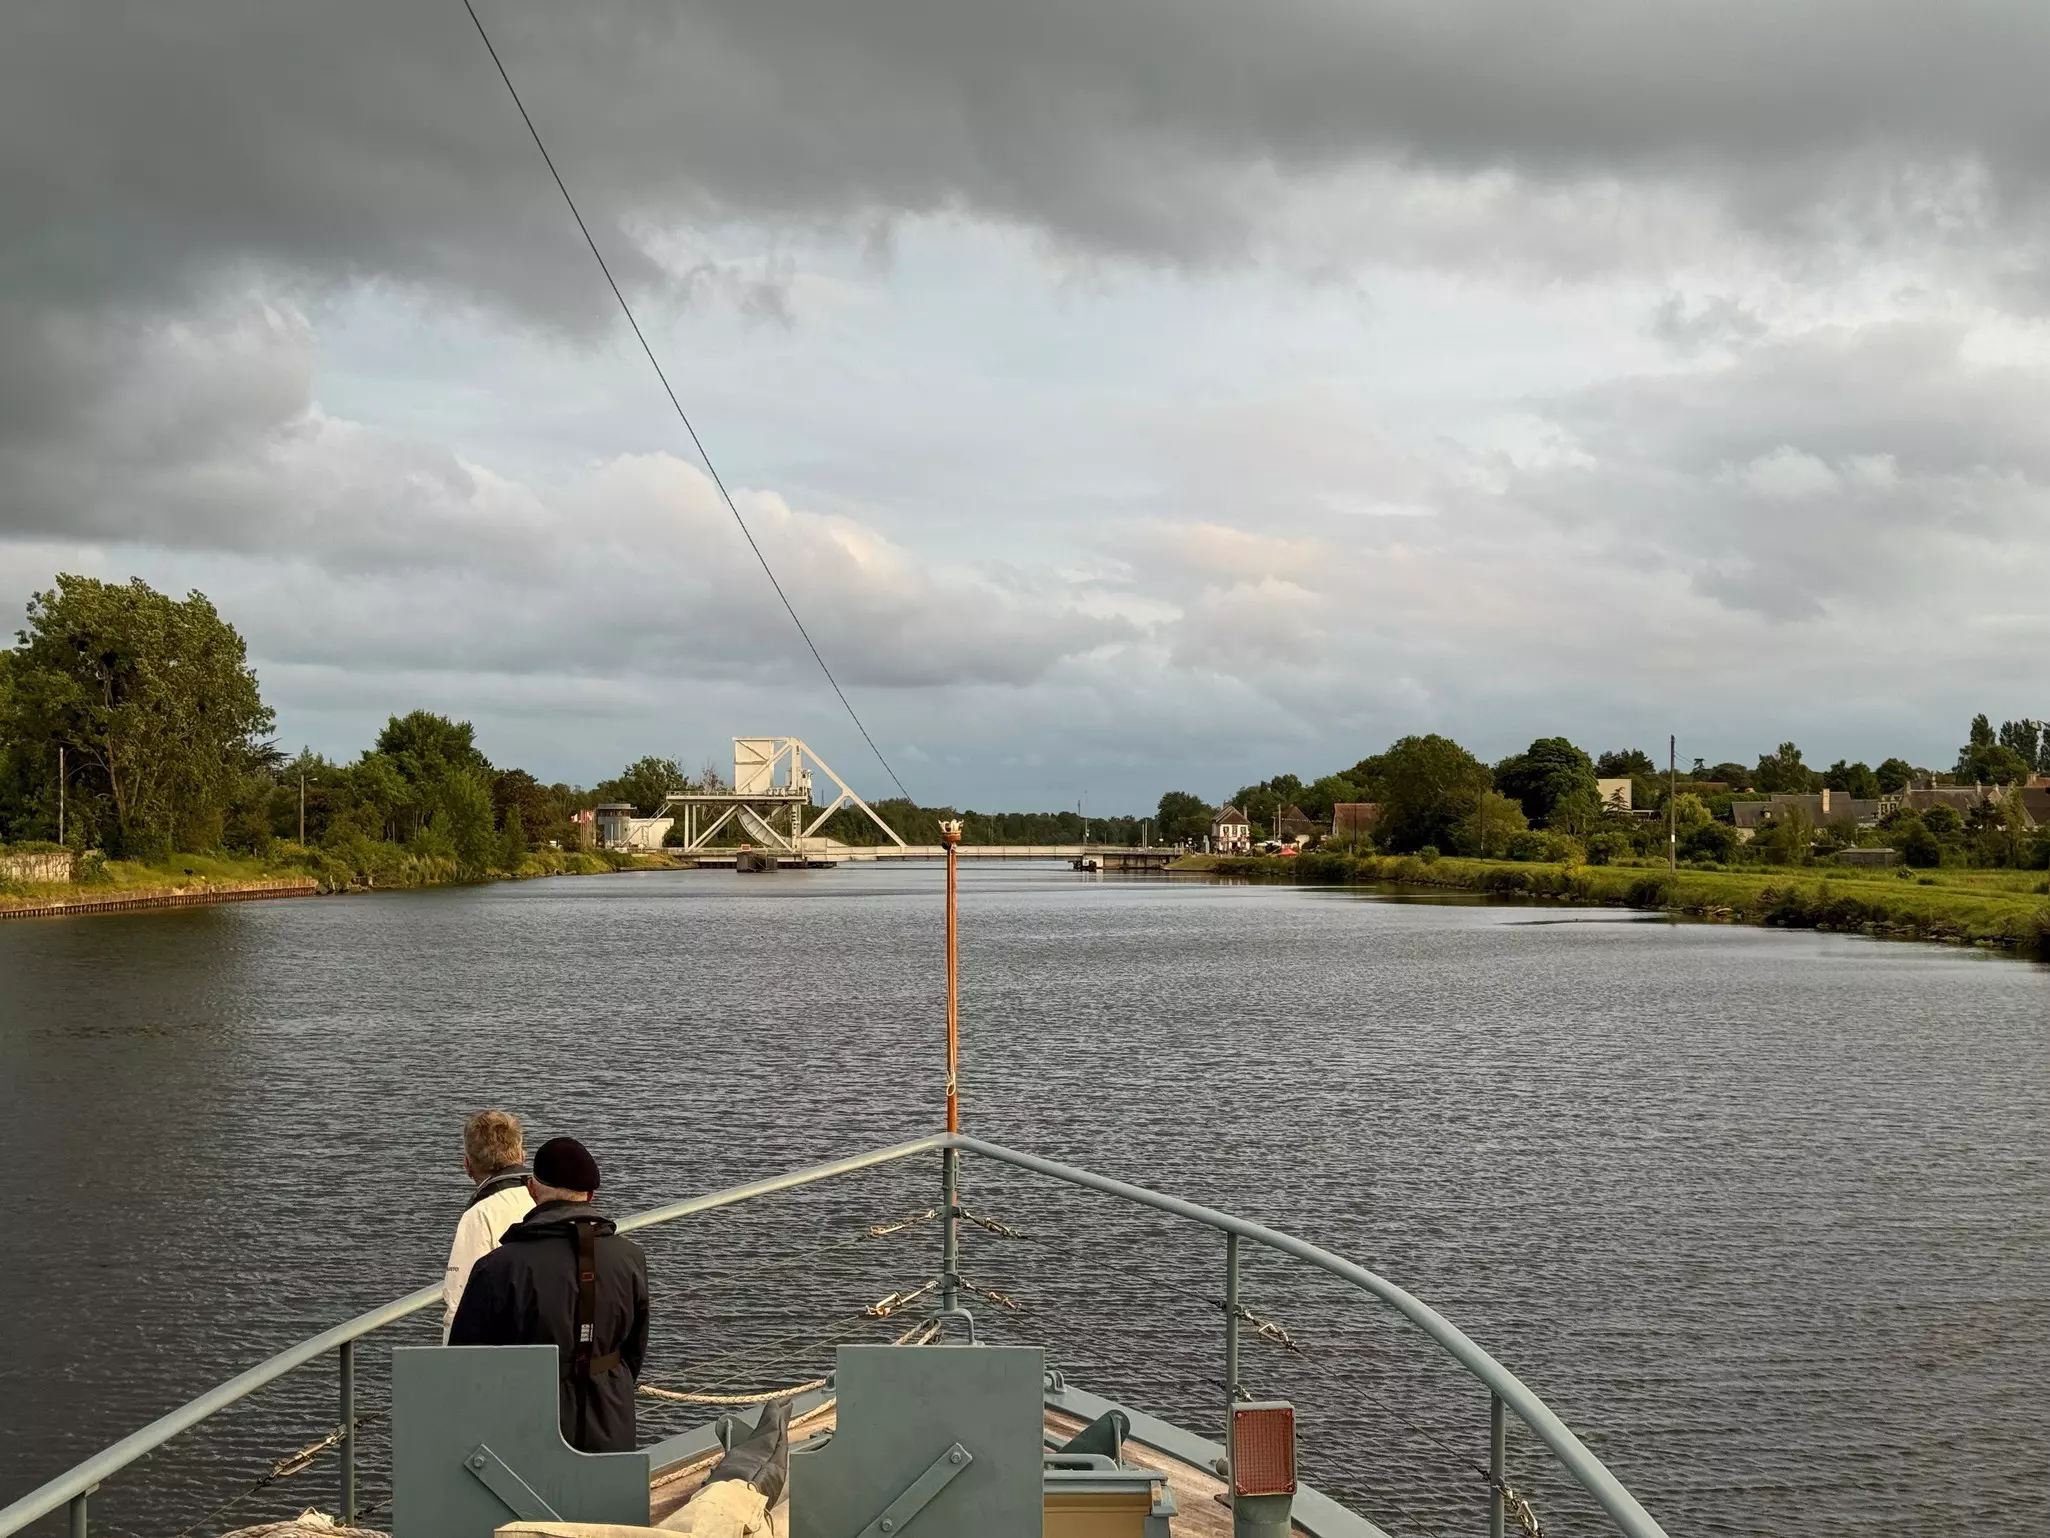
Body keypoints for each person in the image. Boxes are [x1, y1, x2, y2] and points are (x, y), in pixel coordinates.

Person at [448, 1136, 650, 1454]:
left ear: (532, 1189)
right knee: (608, 1503)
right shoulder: (631, 1258)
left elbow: (465, 1361)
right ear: (591, 1195)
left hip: (524, 1423)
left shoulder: (498, 1267)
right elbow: (634, 1350)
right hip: (612, 1417)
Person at [442, 1110, 535, 1342]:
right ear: (522, 1156)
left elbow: (458, 1301)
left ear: (467, 1165)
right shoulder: (545, 1199)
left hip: (507, 1352)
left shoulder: (480, 1215)